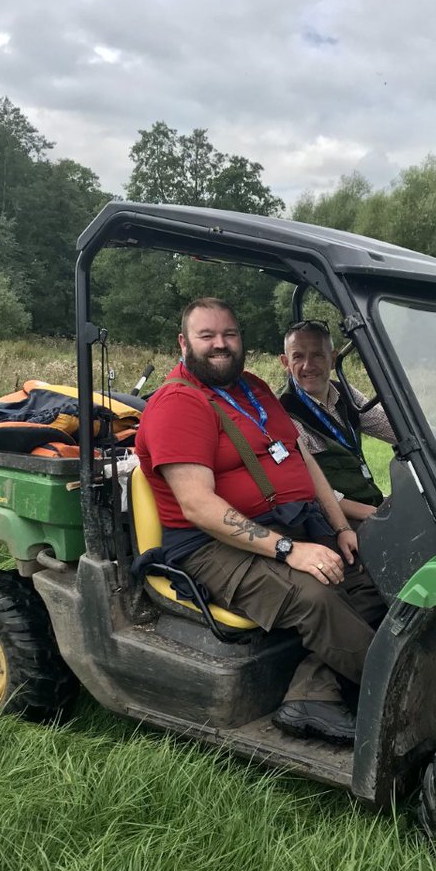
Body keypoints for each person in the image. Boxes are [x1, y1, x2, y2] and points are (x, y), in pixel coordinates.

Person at [134, 298, 386, 747]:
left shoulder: (253, 388)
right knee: (315, 597)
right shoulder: (179, 404)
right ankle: (404, 692)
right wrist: (292, 550)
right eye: (206, 336)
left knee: (370, 582)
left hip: (285, 524)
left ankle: (312, 694)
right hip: (208, 545)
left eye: (229, 335)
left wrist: (341, 528)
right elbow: (198, 507)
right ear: (184, 343)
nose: (220, 345)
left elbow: (304, 460)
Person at [278, 320, 397, 527]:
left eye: (317, 354)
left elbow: (392, 427)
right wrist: (373, 513)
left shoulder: (345, 393)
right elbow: (306, 486)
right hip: (333, 521)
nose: (308, 365)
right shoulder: (284, 413)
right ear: (285, 363)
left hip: (370, 505)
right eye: (298, 356)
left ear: (333, 359)